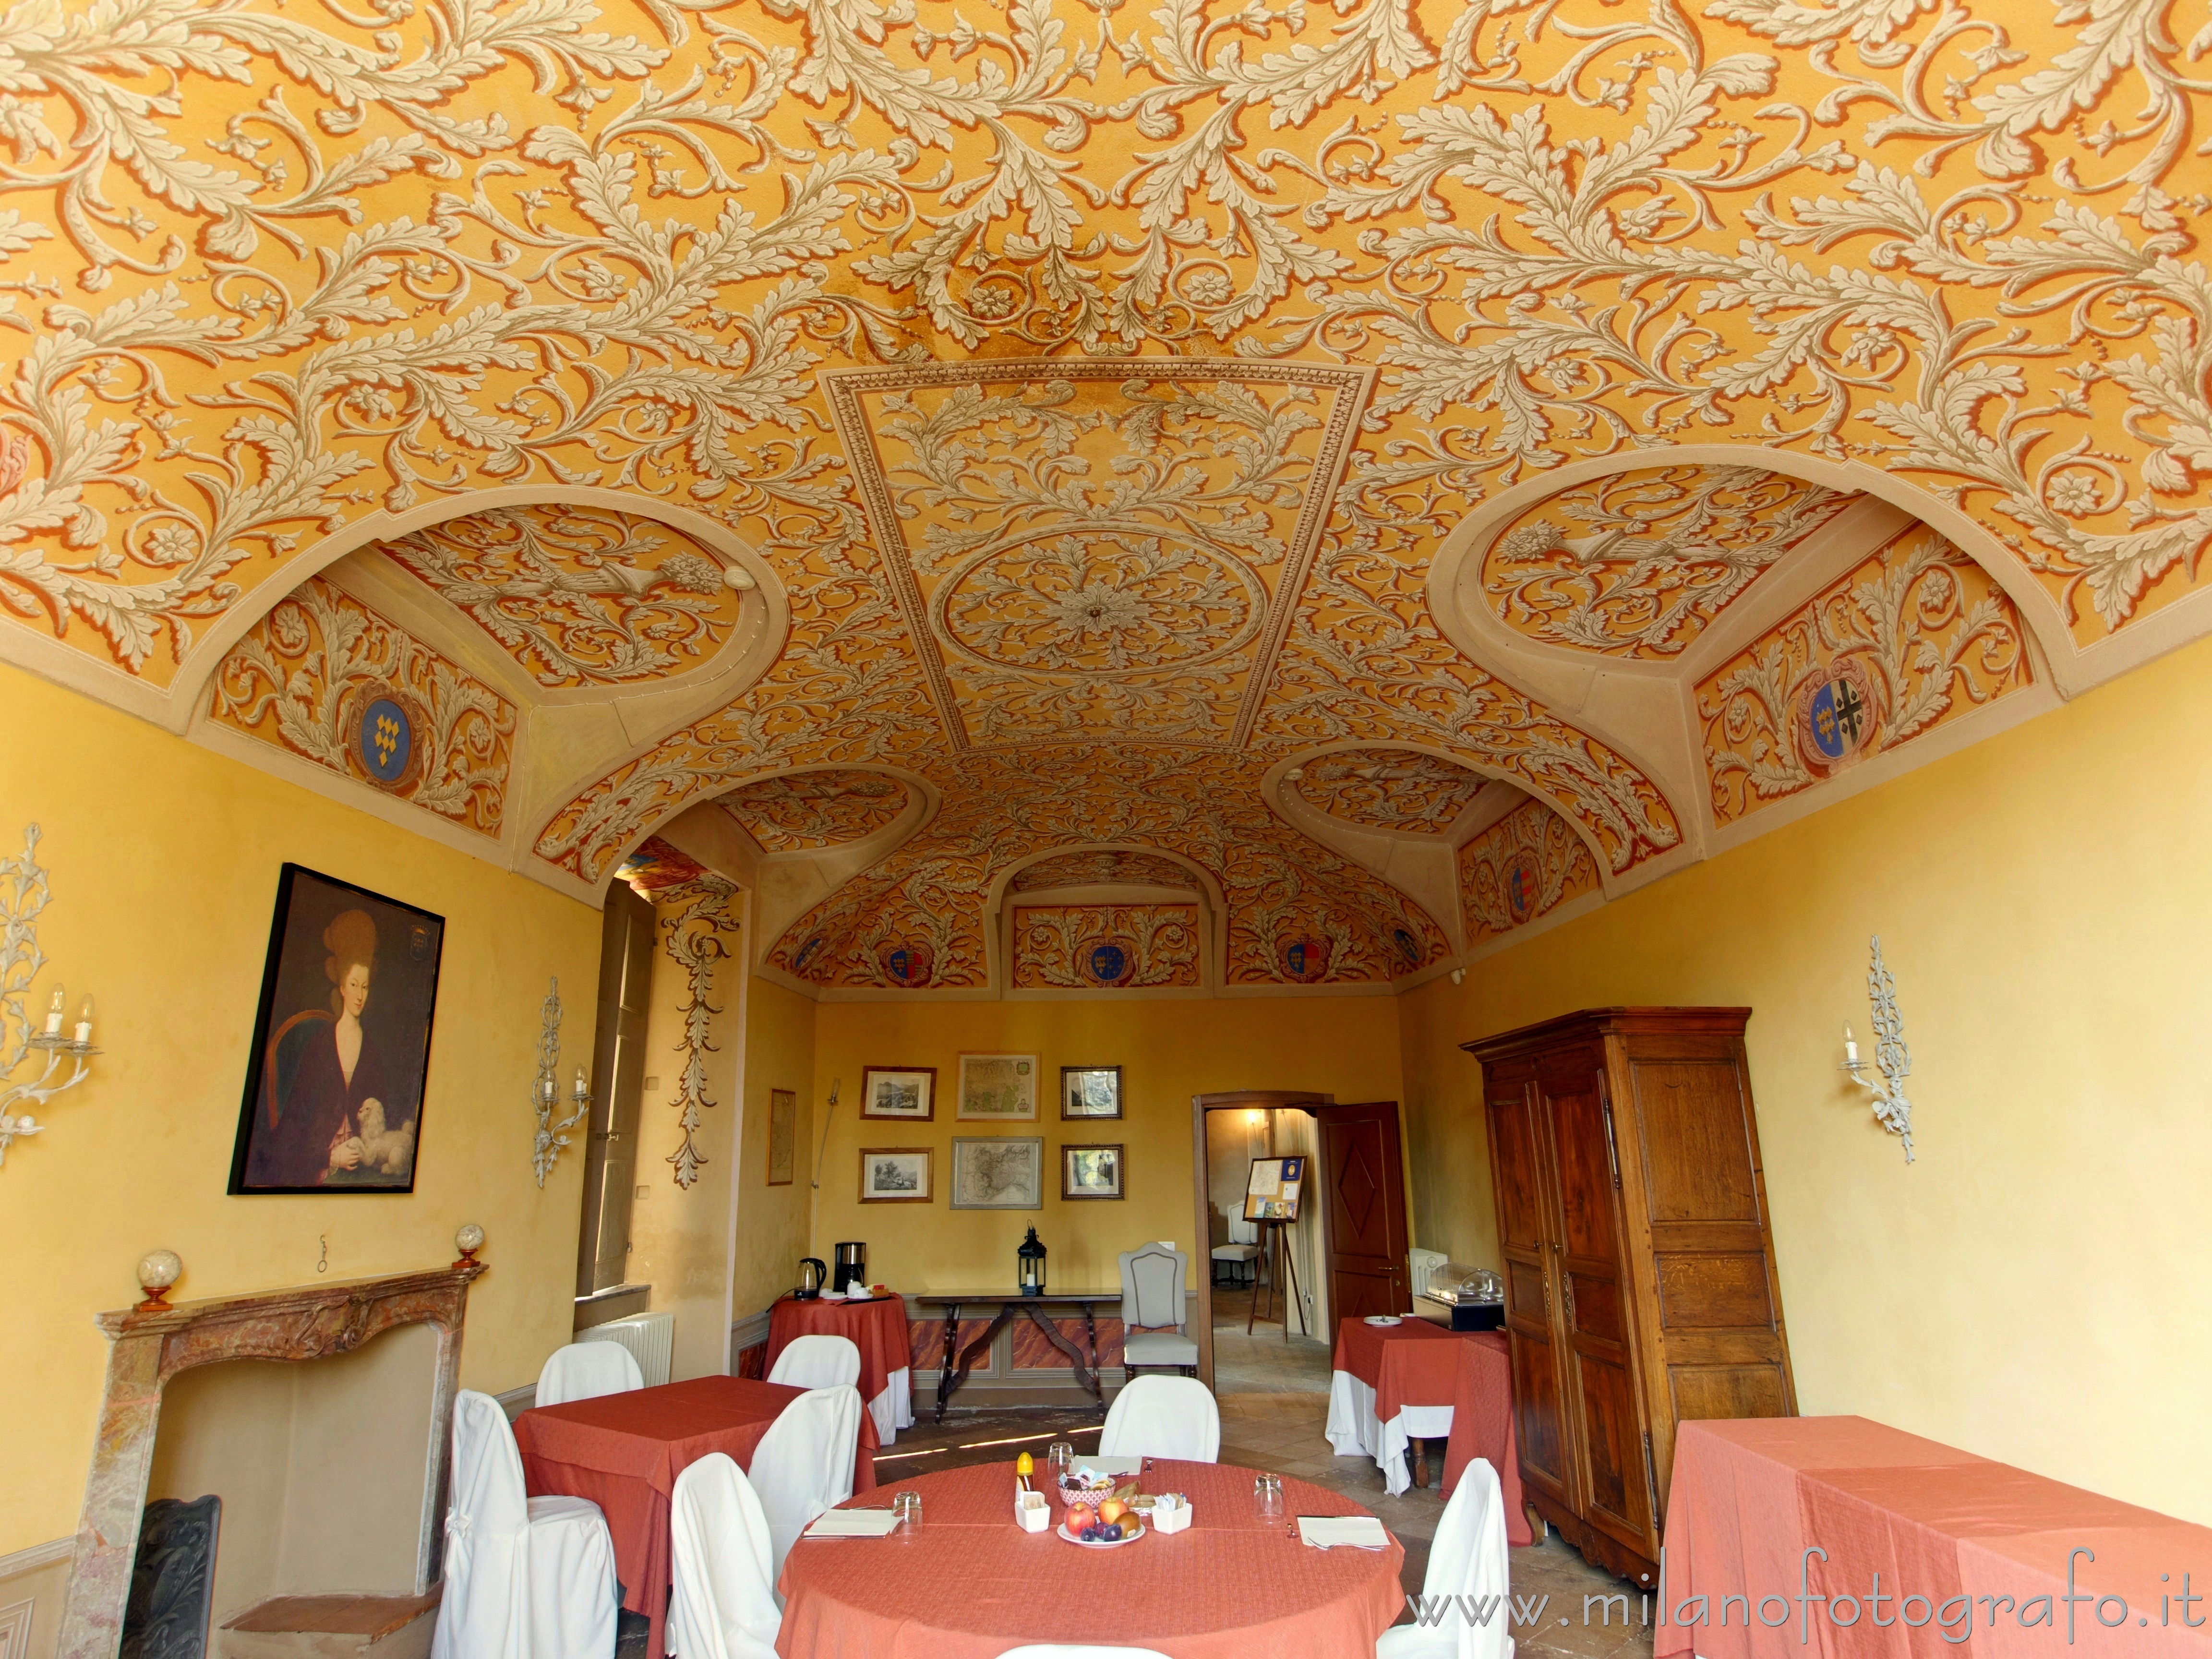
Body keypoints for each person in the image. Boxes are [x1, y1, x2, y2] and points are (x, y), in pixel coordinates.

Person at [248, 909, 408, 1186]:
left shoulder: (371, 1049)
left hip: (363, 1162)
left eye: (366, 987)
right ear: (342, 987)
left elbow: (383, 1119)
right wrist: (331, 1157)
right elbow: (296, 1124)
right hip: (318, 1163)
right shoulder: (319, 1046)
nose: (360, 996)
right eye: (354, 985)